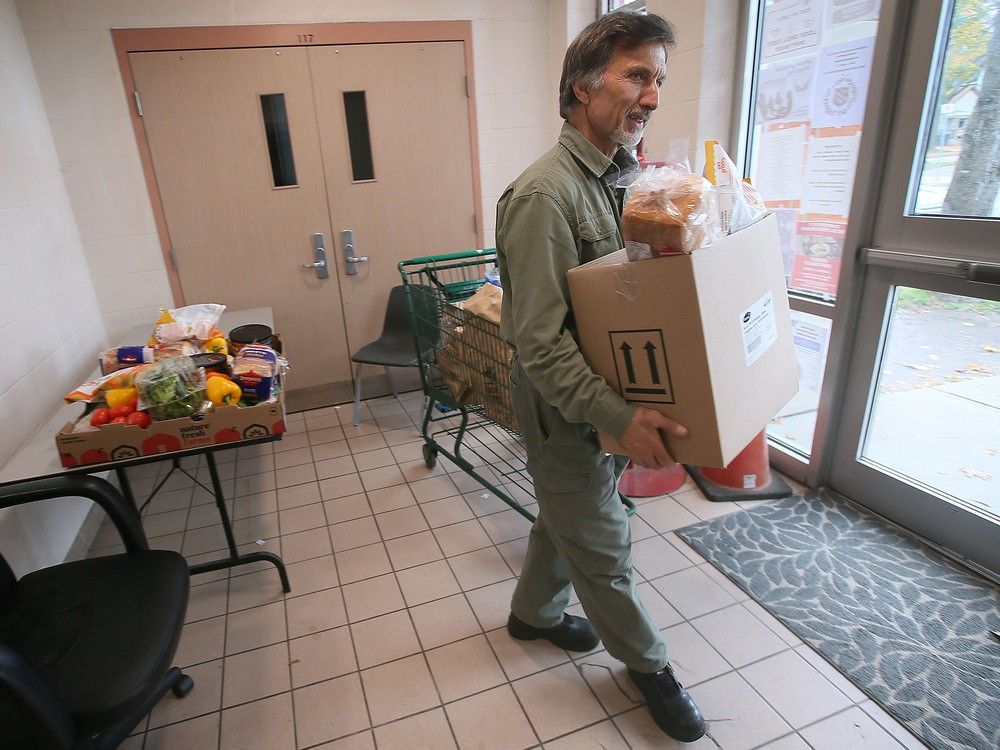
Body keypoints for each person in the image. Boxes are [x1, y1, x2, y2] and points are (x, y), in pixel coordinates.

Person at [495, 10, 707, 743]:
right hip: (565, 404)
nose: (651, 97)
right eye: (637, 75)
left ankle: (533, 615)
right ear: (584, 86)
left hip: (602, 391)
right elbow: (539, 342)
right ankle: (650, 667)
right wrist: (615, 415)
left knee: (569, 513)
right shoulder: (544, 196)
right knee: (605, 542)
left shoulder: (625, 182)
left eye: (659, 81)